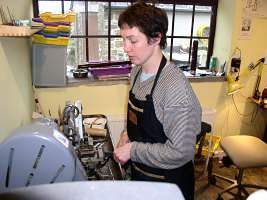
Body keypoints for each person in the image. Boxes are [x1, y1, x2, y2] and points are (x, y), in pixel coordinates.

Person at [113, 2, 202, 200]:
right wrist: (127, 134)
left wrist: (133, 150)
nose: (125, 48)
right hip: (142, 176)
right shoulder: (136, 71)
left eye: (133, 40)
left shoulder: (175, 88)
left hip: (168, 185)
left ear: (156, 38)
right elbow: (140, 121)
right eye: (124, 39)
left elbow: (181, 152)